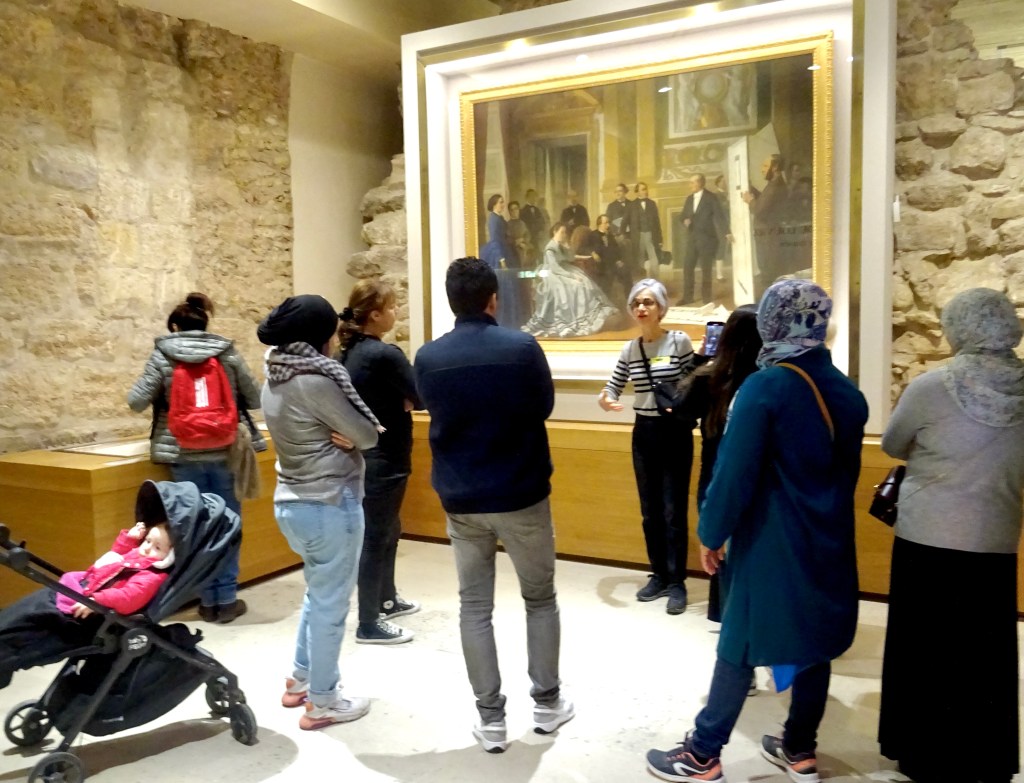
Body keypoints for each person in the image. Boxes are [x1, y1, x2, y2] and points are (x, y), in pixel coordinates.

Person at [646, 279, 868, 783]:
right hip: (828, 538)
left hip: (772, 540)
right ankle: (800, 749)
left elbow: (734, 473)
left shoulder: (765, 388)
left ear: (774, 320)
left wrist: (711, 531)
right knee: (814, 642)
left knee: (739, 640)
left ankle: (702, 753)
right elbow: (845, 476)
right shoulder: (847, 392)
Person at [414, 257, 573, 754]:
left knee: (474, 606)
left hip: (462, 498)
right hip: (521, 492)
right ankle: (547, 705)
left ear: (451, 301)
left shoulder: (428, 357)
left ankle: (491, 719)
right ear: (493, 298)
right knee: (539, 599)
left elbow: (433, 408)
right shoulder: (521, 347)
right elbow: (544, 407)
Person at [878, 287, 1024, 783]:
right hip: (995, 537)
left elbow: (893, 443)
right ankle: (983, 756)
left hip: (928, 537)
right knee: (985, 653)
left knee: (925, 650)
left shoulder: (932, 387)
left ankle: (923, 753)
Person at [258, 294, 381, 730]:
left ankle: (301, 679)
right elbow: (367, 435)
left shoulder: (273, 377)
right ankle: (324, 701)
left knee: (318, 594)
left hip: (292, 502)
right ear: (320, 337)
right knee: (331, 606)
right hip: (329, 503)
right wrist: (352, 435)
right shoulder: (315, 380)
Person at [127, 292, 262, 624]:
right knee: (227, 524)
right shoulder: (226, 352)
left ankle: (206, 600)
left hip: (182, 453)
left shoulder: (163, 355)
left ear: (175, 326)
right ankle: (226, 599)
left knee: (194, 527)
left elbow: (135, 401)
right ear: (206, 321)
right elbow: (255, 397)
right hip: (225, 450)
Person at [598, 279, 696, 615]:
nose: (641, 307)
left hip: (674, 432)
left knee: (673, 510)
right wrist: (606, 399)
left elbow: (694, 380)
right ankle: (659, 574)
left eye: (649, 302)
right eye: (637, 302)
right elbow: (614, 385)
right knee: (650, 510)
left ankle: (677, 581)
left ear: (661, 308)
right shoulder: (630, 349)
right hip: (644, 432)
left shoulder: (679, 341)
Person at [338, 280, 423, 646]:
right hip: (385, 456)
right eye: (390, 307)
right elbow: (420, 395)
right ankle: (369, 621)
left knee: (388, 529)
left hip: (362, 455)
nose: (395, 312)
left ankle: (386, 599)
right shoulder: (384, 355)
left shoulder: (346, 353)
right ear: (374, 315)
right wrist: (405, 400)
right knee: (376, 536)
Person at [0, 520, 173, 689]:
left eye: (157, 548)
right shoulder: (137, 555)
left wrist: (98, 600)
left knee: (29, 624)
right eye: (148, 540)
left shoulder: (152, 577)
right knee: (21, 613)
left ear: (170, 557)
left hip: (88, 613)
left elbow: (129, 597)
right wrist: (129, 539)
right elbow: (114, 559)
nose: (147, 548)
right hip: (78, 591)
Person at [675, 306, 761, 624]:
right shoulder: (766, 381)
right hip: (757, 477)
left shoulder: (712, 377)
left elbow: (680, 409)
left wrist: (700, 359)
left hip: (713, 473)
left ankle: (725, 614)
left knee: (717, 548)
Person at [521, 222, 620, 338]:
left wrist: (567, 246)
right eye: (561, 232)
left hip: (564, 268)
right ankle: (575, 319)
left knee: (584, 281)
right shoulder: (550, 248)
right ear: (555, 232)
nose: (564, 235)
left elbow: (570, 257)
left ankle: (591, 314)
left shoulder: (560, 245)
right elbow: (555, 268)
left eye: (565, 233)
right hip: (553, 273)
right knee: (574, 285)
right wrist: (571, 276)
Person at [678, 174, 731, 305]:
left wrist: (727, 232)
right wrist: (685, 220)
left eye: (692, 183)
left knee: (706, 269)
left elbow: (720, 216)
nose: (690, 185)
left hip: (707, 239)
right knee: (688, 267)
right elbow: (683, 215)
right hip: (692, 238)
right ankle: (688, 297)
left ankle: (706, 298)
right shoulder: (689, 198)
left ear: (699, 183)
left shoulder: (711, 197)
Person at [742, 154, 789, 294]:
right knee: (769, 269)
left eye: (765, 166)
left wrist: (750, 200)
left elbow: (760, 211)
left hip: (768, 236)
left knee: (768, 271)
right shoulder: (775, 184)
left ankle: (768, 300)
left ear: (775, 167)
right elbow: (766, 200)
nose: (762, 169)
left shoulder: (775, 187)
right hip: (768, 235)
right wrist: (752, 190)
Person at [589, 213, 630, 302]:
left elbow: (617, 249)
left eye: (608, 223)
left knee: (626, 272)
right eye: (606, 223)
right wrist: (592, 253)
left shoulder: (610, 235)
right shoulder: (593, 235)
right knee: (608, 277)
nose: (608, 225)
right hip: (602, 265)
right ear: (600, 224)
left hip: (614, 263)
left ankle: (629, 299)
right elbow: (583, 247)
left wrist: (619, 260)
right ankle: (607, 302)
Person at [632, 182, 663, 279]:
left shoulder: (652, 204)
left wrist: (660, 239)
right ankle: (640, 281)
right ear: (637, 192)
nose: (645, 191)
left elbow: (657, 222)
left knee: (654, 259)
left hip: (650, 234)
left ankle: (655, 281)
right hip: (638, 236)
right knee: (640, 259)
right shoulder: (632, 205)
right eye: (643, 189)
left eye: (646, 189)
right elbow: (625, 220)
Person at [520, 189, 549, 265]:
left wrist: (541, 231)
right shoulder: (522, 211)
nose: (533, 198)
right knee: (530, 260)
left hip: (538, 239)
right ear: (527, 197)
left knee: (540, 258)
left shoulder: (537, 210)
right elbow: (522, 226)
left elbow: (542, 222)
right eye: (531, 196)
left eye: (534, 196)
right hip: (528, 240)